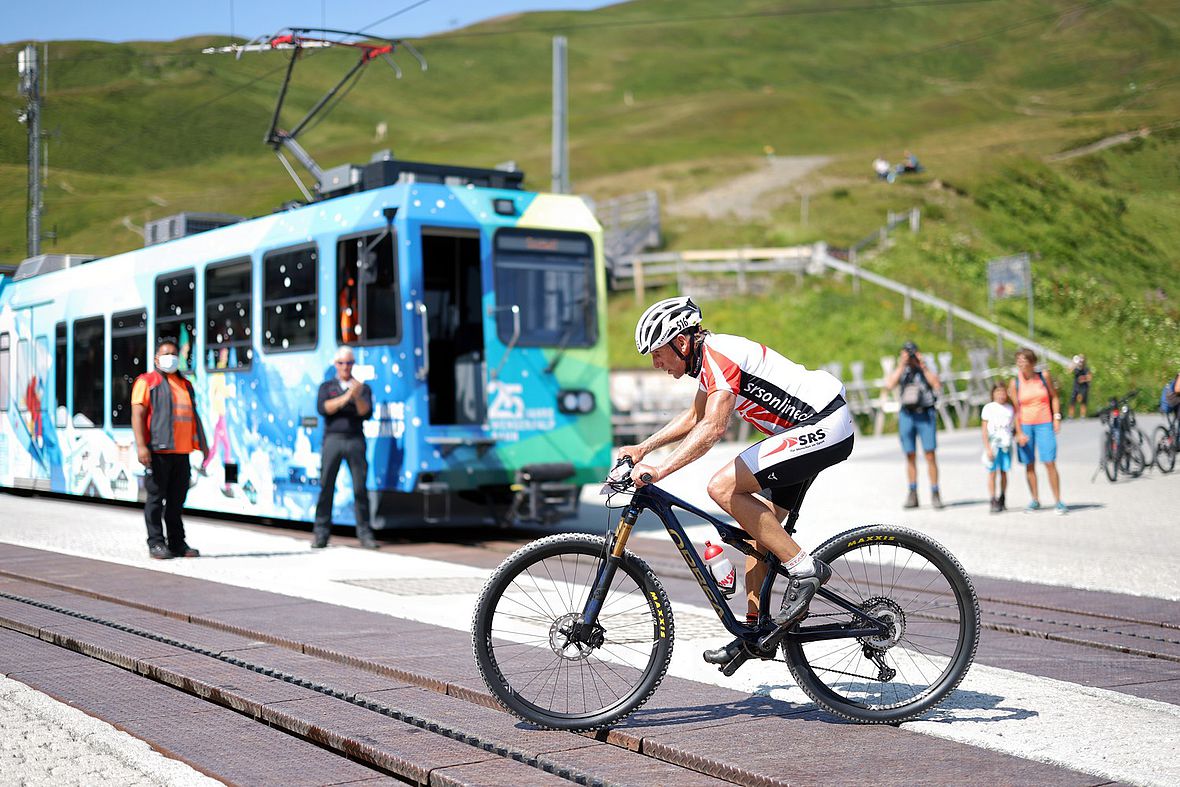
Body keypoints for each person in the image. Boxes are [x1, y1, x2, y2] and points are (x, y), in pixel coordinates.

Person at [621, 297, 854, 667]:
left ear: (681, 343)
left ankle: (805, 568)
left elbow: (713, 426)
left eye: (658, 353)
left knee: (723, 487)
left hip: (823, 423)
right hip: (803, 432)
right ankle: (754, 633)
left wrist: (660, 470)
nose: (656, 363)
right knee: (756, 532)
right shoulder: (709, 361)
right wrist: (644, 447)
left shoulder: (720, 354)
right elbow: (696, 414)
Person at [131, 337, 208, 560]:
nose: (170, 358)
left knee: (176, 501)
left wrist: (203, 445)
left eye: (174, 354)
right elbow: (138, 415)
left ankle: (177, 543)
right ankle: (155, 542)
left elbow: (194, 416)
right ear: (156, 358)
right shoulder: (146, 382)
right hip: (157, 452)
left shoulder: (186, 385)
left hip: (181, 453)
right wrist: (142, 447)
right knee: (155, 499)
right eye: (165, 354)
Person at [314, 346, 378, 549]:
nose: (345, 367)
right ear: (336, 364)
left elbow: (365, 412)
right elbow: (324, 408)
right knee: (326, 487)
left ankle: (365, 534)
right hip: (333, 439)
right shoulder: (327, 386)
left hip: (355, 439)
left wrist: (356, 395)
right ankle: (321, 534)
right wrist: (346, 397)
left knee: (360, 488)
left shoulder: (363, 388)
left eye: (349, 363)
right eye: (342, 363)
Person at [883, 341, 943, 509]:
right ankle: (912, 492)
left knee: (930, 455)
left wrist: (922, 366)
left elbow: (937, 384)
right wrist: (902, 365)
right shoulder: (901, 368)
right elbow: (889, 385)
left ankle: (935, 492)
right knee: (910, 455)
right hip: (907, 414)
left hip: (925, 412)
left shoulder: (926, 366)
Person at [1008, 348, 1066, 515]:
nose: (1021, 363)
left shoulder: (1043, 376)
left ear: (1032, 362)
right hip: (1025, 425)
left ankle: (1058, 501)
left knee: (1049, 461)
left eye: (1024, 360)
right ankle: (1035, 499)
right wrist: (1018, 432)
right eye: (1018, 360)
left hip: (1044, 423)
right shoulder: (1015, 382)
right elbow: (1016, 409)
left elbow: (1054, 397)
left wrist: (1056, 417)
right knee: (1029, 463)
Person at [981, 382, 1015, 513]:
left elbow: (1013, 426)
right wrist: (987, 447)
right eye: (998, 392)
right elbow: (984, 430)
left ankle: (1003, 496)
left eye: (1003, 391)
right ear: (993, 393)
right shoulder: (989, 408)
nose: (1001, 394)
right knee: (992, 472)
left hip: (1006, 444)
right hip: (993, 444)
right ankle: (992, 498)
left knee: (1004, 471)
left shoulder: (1010, 409)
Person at [1068, 354, 1092, 419]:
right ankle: (1070, 416)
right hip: (1076, 386)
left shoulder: (1086, 369)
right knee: (1072, 401)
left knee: (1083, 401)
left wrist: (1083, 378)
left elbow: (1089, 378)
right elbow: (1069, 371)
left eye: (1082, 359)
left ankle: (1082, 415)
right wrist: (1074, 363)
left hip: (1084, 387)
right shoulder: (1076, 368)